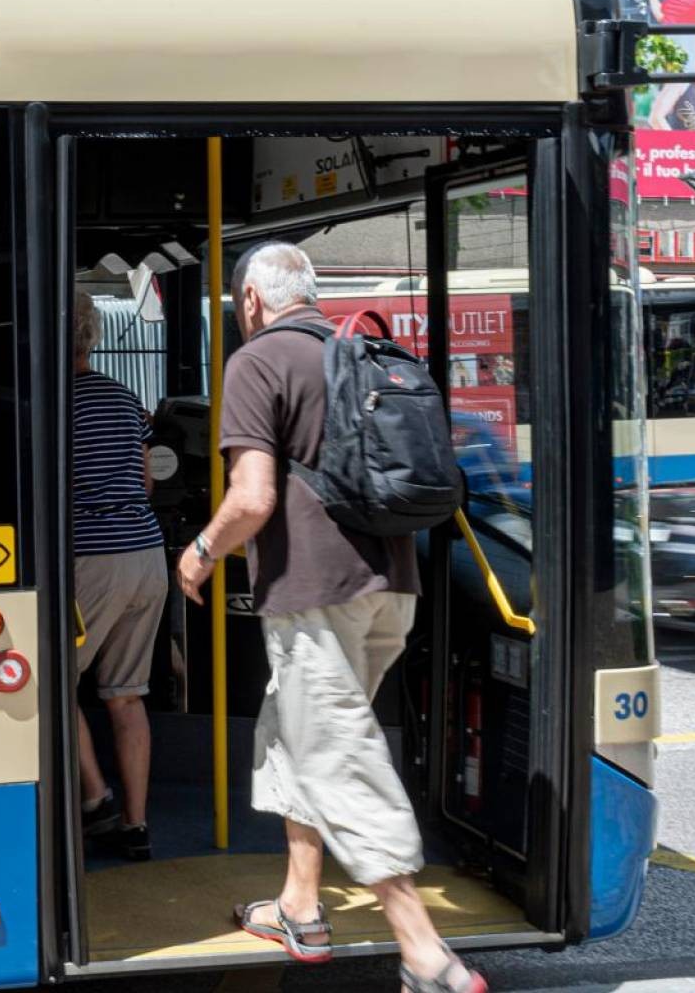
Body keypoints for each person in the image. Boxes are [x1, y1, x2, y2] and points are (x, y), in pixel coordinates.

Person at [175, 244, 486, 993]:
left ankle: (422, 949)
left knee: (336, 753)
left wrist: (201, 550)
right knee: (297, 734)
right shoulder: (366, 353)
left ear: (251, 298)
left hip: (315, 593)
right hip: (392, 587)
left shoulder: (259, 361)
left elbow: (253, 497)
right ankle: (300, 905)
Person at [69, 289, 166, 861]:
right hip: (146, 552)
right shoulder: (125, 397)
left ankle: (96, 799)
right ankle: (136, 824)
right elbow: (148, 483)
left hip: (91, 558)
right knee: (126, 696)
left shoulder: (54, 403)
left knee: (52, 686)